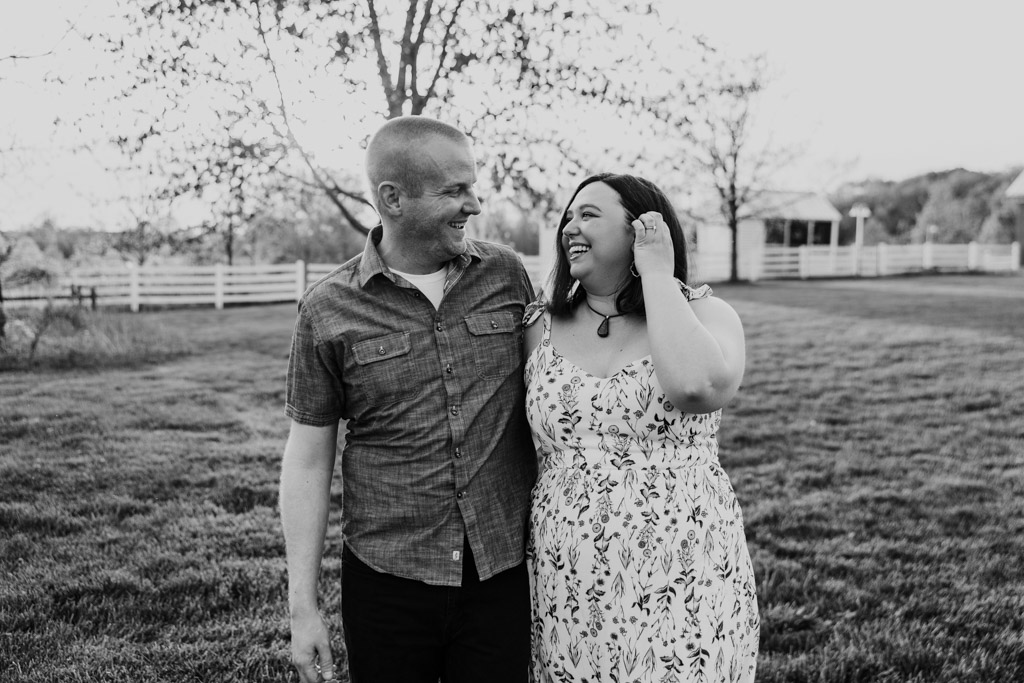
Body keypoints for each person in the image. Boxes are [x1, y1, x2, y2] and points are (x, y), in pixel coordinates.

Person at [279, 115, 537, 683]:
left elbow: (556, 387)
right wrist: (303, 606)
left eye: (472, 186)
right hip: (386, 581)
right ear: (392, 199)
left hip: (500, 574)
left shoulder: (507, 276)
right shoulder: (327, 309)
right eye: (455, 191)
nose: (474, 204)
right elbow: (308, 458)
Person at [524, 173, 759, 682]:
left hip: (684, 565)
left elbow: (696, 387)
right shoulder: (538, 327)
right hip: (567, 574)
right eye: (569, 215)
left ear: (642, 230)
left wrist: (656, 276)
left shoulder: (707, 314)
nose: (570, 226)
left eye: (589, 214)